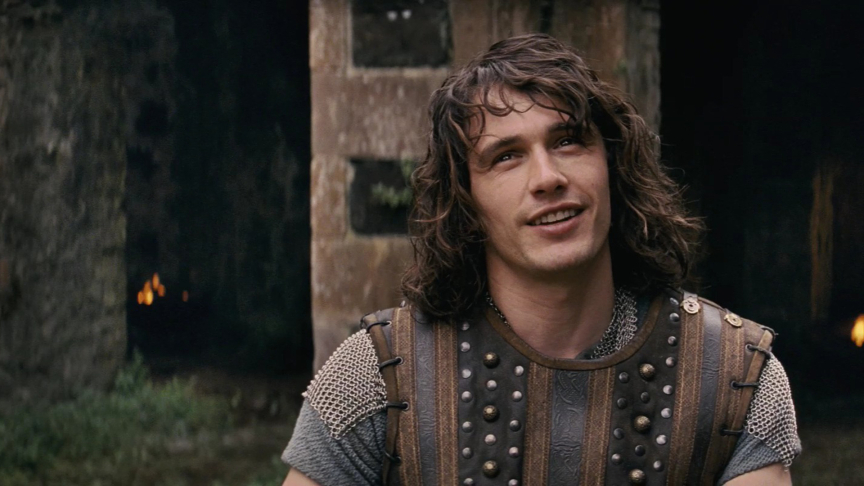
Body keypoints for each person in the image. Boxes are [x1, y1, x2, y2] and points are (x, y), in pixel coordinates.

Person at [281, 34, 800, 486]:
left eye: (569, 141)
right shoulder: (375, 374)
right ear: (466, 201)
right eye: (506, 156)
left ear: (611, 165)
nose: (548, 178)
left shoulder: (735, 374)